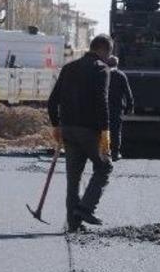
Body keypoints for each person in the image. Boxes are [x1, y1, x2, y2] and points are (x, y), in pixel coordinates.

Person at [48, 34, 114, 232]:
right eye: (109, 52)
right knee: (104, 167)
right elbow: (102, 102)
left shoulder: (69, 68)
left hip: (68, 130)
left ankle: (73, 224)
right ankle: (86, 208)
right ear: (103, 49)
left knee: (73, 178)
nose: (108, 57)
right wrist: (105, 132)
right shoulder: (101, 69)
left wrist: (56, 126)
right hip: (89, 131)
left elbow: (52, 101)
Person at [107, 56, 134, 161]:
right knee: (116, 131)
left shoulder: (103, 73)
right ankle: (115, 153)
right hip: (117, 107)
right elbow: (128, 92)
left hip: (104, 106)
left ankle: (103, 151)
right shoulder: (121, 75)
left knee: (103, 129)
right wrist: (130, 106)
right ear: (117, 64)